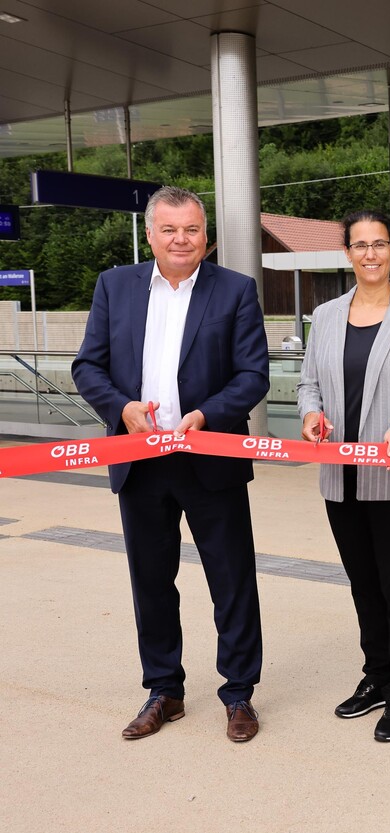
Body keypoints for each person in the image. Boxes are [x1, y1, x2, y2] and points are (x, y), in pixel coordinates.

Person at [72, 186, 270, 743]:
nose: (181, 239)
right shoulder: (115, 286)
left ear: (206, 236)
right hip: (139, 459)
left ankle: (239, 694)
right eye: (169, 229)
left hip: (210, 457)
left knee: (231, 579)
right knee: (151, 582)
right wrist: (122, 408)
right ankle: (164, 690)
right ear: (150, 234)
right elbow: (88, 366)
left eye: (191, 229)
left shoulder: (235, 289)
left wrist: (207, 415)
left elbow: (252, 374)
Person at [297, 210, 390, 743]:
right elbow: (308, 384)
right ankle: (378, 676)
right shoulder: (326, 315)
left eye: (379, 244)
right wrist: (310, 415)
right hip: (341, 476)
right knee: (363, 584)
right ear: (347, 253)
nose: (370, 254)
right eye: (360, 245)